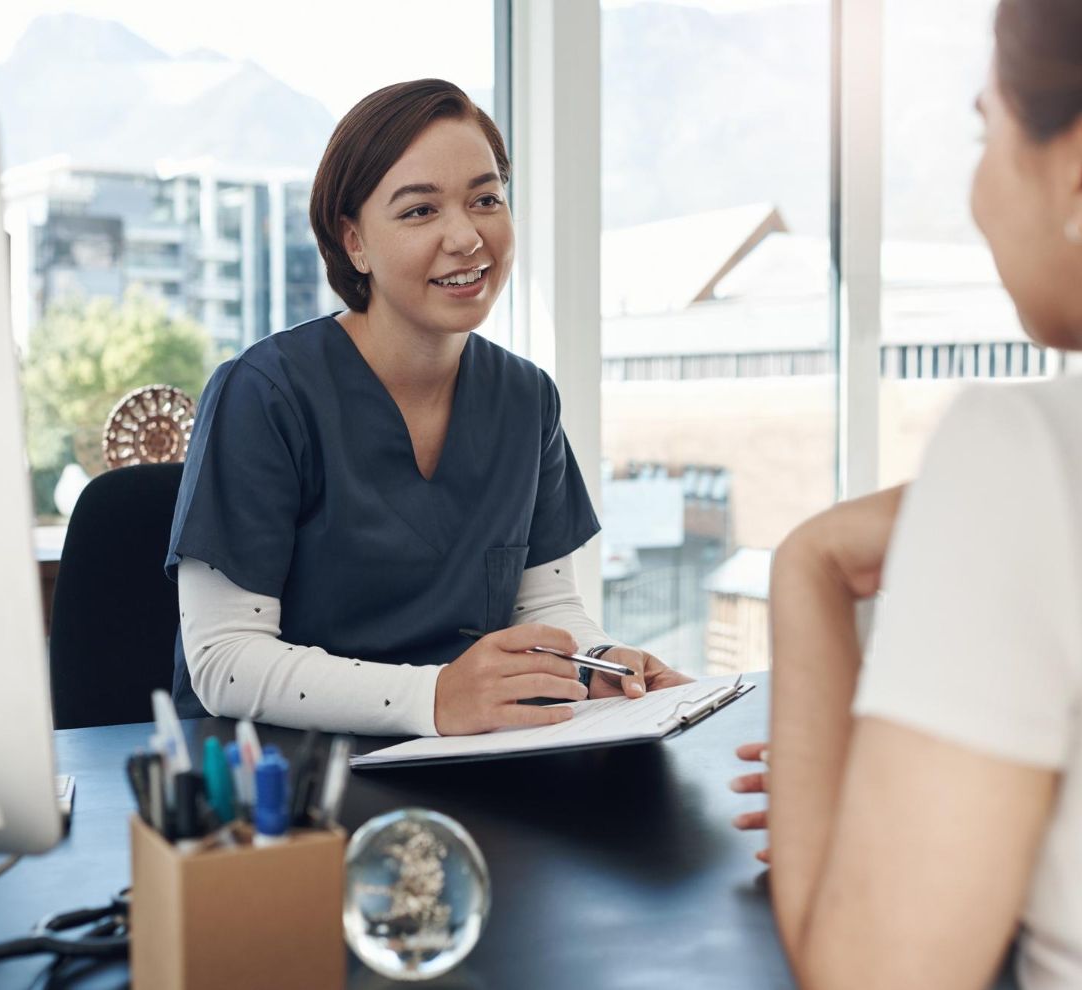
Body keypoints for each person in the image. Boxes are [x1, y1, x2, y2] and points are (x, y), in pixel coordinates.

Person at [730, 1, 1082, 986]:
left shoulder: (1038, 452)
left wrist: (805, 564)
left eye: (987, 131)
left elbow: (874, 974)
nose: (979, 189)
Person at [165, 79, 691, 736]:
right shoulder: (265, 395)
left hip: (472, 769)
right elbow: (224, 661)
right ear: (354, 241)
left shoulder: (527, 400)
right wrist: (435, 697)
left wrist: (595, 661)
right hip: (289, 792)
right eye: (419, 211)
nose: (467, 237)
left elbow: (546, 603)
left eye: (486, 199)